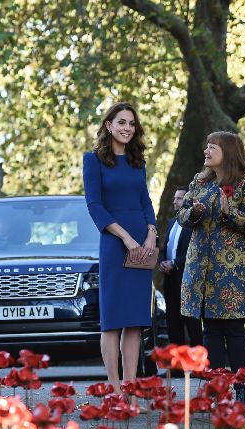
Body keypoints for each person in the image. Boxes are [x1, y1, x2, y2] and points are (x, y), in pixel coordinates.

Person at [176, 131, 245, 403]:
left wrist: (229, 212)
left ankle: (243, 389)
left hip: (231, 272)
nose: (206, 151)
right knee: (209, 331)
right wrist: (194, 212)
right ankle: (216, 389)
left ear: (227, 150)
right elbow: (182, 217)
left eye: (212, 146)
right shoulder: (199, 181)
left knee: (233, 330)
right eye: (206, 146)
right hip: (200, 267)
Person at [82, 102, 157, 400]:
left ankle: (130, 384)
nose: (127, 128)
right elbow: (94, 205)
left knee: (136, 320)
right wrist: (126, 237)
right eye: (121, 122)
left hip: (143, 244)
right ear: (108, 125)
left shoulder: (138, 162)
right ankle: (114, 388)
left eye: (131, 124)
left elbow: (146, 203)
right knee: (113, 320)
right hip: (115, 244)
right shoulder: (94, 160)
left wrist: (151, 234)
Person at [158, 185, 202, 346]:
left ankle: (199, 367)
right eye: (174, 198)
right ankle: (176, 367)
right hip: (170, 280)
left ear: (188, 200)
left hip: (187, 280)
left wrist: (175, 263)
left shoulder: (194, 224)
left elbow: (195, 252)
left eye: (179, 198)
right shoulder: (171, 222)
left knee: (192, 324)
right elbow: (166, 246)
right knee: (173, 323)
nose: (174, 201)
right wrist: (162, 261)